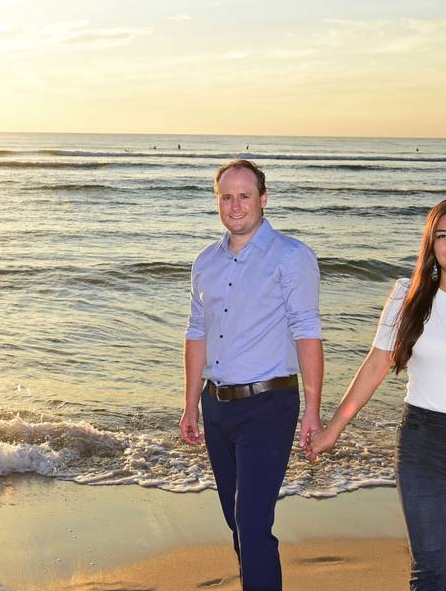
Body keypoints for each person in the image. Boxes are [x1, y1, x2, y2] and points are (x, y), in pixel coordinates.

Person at [306, 196, 446, 591]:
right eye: (441, 236)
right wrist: (334, 428)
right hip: (423, 443)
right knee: (428, 570)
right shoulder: (407, 297)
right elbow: (375, 366)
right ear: (431, 246)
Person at [181, 159, 324, 590]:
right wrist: (190, 403)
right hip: (217, 406)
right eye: (227, 197)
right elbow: (196, 332)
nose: (236, 205)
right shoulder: (205, 262)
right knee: (237, 520)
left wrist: (313, 409)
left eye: (245, 196)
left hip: (269, 404)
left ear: (263, 200)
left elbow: (307, 332)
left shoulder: (291, 256)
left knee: (251, 521)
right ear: (217, 202)